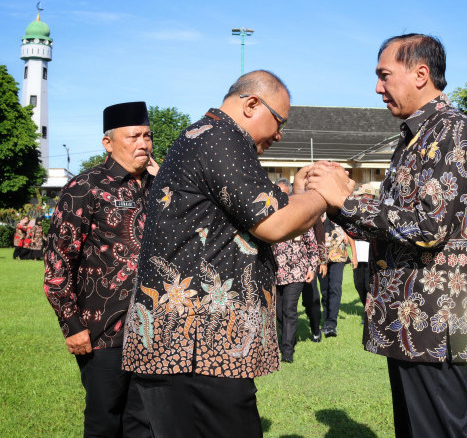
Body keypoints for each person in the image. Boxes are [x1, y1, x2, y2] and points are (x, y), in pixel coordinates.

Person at [121, 71, 345, 437]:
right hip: (197, 347)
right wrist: (327, 194)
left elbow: (266, 209)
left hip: (191, 347)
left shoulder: (207, 137)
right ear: (252, 104)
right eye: (279, 121)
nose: (279, 134)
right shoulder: (222, 139)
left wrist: (306, 194)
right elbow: (274, 223)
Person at [306, 34, 467, 437]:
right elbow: (388, 225)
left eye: (384, 76)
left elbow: (429, 226)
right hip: (411, 315)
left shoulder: (454, 131)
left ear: (421, 74)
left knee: (435, 430)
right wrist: (335, 202)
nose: (377, 88)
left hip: (434, 316)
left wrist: (349, 198)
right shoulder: (415, 137)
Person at [44, 101, 159, 436]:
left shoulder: (157, 188)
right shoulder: (85, 187)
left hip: (151, 330)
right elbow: (58, 263)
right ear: (108, 143)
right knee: (104, 420)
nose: (143, 143)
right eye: (134, 136)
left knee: (144, 420)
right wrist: (72, 325)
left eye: (148, 136)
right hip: (102, 333)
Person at [272, 179, 320, 363]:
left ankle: (287, 351)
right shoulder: (270, 216)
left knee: (290, 310)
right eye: (277, 192)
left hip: (296, 272)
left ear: (290, 195)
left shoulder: (299, 217)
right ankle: (283, 340)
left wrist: (311, 268)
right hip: (275, 273)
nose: (280, 196)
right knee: (278, 312)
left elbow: (312, 246)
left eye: (284, 193)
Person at [320, 215, 356, 337]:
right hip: (321, 257)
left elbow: (350, 233)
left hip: (338, 256)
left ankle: (331, 324)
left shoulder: (339, 213)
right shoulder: (317, 212)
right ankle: (326, 321)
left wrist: (354, 255)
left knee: (335, 287)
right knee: (324, 291)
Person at [352, 185, 377, 308]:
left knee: (369, 285)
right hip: (358, 255)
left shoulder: (377, 213)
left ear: (368, 196)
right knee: (358, 284)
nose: (358, 198)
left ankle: (369, 311)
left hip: (371, 255)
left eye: (360, 196)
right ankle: (366, 309)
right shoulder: (355, 212)